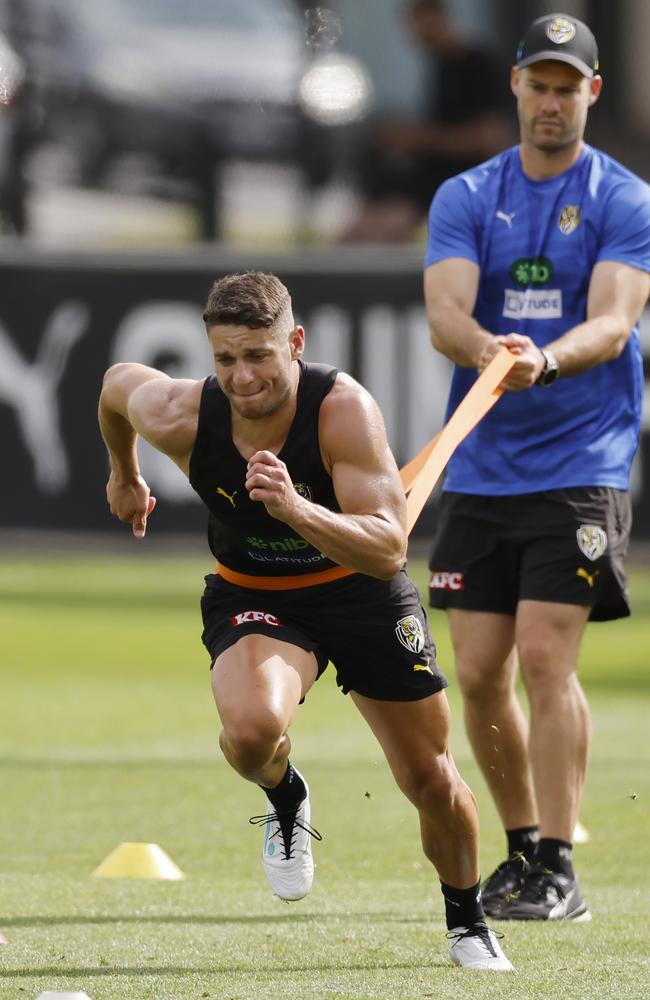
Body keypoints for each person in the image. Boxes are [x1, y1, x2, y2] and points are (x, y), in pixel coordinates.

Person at [98, 270, 513, 971]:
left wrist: (295, 509)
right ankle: (285, 796)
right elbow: (114, 385)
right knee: (250, 734)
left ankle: (467, 922)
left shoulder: (341, 409)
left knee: (431, 779)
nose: (242, 376)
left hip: (360, 590)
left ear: (294, 342)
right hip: (255, 594)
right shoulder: (180, 413)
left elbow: (388, 548)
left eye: (259, 355)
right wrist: (124, 474)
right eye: (225, 358)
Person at [423, 12, 650, 922]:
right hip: (480, 461)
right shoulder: (467, 194)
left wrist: (544, 360)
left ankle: (560, 863)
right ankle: (522, 850)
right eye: (540, 84)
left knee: (547, 657)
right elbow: (445, 312)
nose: (552, 101)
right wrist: (489, 351)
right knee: (479, 671)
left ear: (592, 93)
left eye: (570, 87)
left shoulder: (622, 198)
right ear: (516, 85)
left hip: (582, 460)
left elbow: (613, 320)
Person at [341, 0, 511, 243]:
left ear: (436, 18)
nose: (412, 34)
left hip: (457, 179)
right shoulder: (441, 67)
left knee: (367, 236)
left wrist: (419, 139)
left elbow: (489, 138)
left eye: (416, 23)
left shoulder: (477, 64)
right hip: (427, 177)